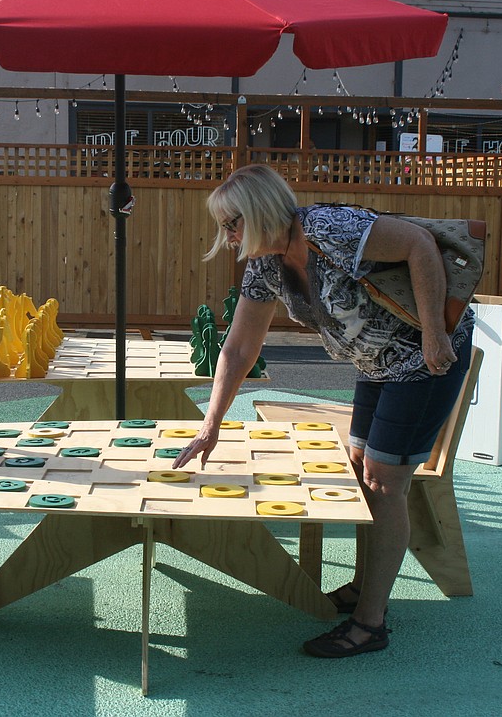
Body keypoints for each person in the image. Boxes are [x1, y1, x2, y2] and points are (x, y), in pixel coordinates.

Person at [171, 164, 473, 658]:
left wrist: (435, 332)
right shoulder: (266, 266)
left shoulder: (329, 229)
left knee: (383, 481)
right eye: (224, 226)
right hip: (375, 364)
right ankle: (362, 588)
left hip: (421, 359)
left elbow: (419, 244)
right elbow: (239, 347)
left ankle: (370, 623)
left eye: (233, 223)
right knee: (359, 470)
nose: (227, 236)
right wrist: (211, 425)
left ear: (260, 212)